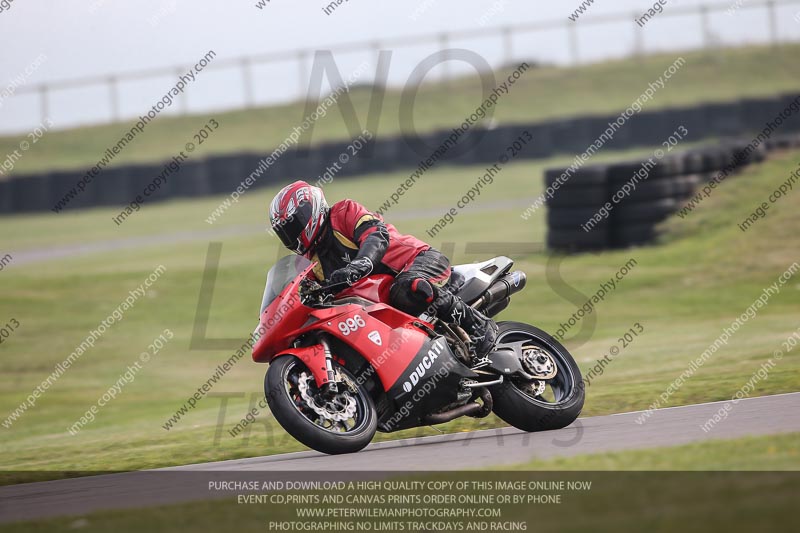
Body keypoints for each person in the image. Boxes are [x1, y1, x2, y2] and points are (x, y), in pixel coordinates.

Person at [268, 180, 498, 362]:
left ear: (310, 211)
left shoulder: (343, 212)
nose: (291, 235)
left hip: (417, 260)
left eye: (293, 225)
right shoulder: (312, 261)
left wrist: (363, 262)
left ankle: (479, 326)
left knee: (408, 288)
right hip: (382, 299)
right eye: (285, 232)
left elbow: (376, 234)